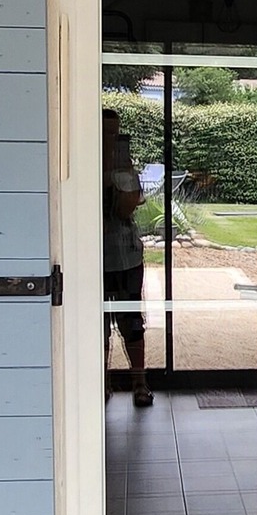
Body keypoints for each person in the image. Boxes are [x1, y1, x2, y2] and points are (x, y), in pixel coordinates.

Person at [102, 109, 152, 406]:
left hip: (127, 257)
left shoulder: (125, 170)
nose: (113, 140)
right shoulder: (84, 163)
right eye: (107, 133)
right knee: (97, 323)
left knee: (132, 322)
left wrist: (118, 170)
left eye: (116, 133)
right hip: (95, 257)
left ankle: (140, 383)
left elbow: (126, 207)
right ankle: (102, 381)